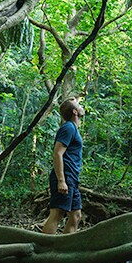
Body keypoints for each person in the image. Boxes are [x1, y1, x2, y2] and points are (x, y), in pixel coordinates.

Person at [42, 98, 85, 234]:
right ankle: (44, 250)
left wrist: (74, 99)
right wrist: (61, 181)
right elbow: (57, 154)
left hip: (72, 177)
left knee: (76, 216)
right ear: (74, 112)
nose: (81, 106)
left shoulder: (73, 128)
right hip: (64, 176)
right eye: (78, 105)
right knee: (57, 214)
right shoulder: (68, 128)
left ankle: (64, 250)